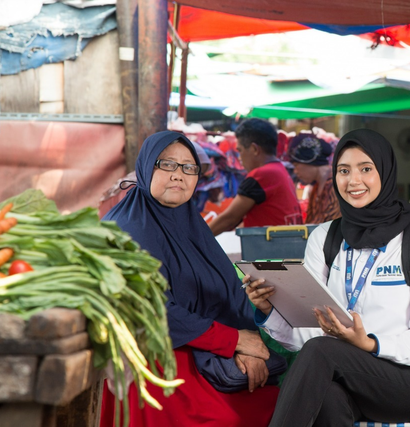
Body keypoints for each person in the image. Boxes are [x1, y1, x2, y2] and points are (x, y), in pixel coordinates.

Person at [245, 129, 410, 426]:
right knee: (325, 395)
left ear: (385, 171)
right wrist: (269, 309)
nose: (353, 181)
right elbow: (310, 335)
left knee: (323, 353)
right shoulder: (325, 238)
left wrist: (370, 344)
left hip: (409, 381)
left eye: (366, 169)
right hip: (343, 374)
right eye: (344, 171)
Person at [100, 131, 279, 427]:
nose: (178, 175)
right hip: (156, 360)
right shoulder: (124, 230)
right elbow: (153, 311)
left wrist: (249, 346)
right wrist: (233, 341)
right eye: (167, 164)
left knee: (279, 403)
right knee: (226, 419)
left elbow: (229, 295)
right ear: (146, 168)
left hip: (208, 353)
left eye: (188, 167)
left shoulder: (192, 225)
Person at [208, 118, 301, 236]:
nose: (240, 158)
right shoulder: (279, 169)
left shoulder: (262, 175)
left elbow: (229, 219)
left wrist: (193, 243)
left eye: (240, 151)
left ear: (254, 149)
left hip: (272, 250)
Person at [287, 133, 341, 224]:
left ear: (309, 161)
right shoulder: (317, 187)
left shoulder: (336, 186)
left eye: (296, 165)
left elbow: (333, 229)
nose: (295, 171)